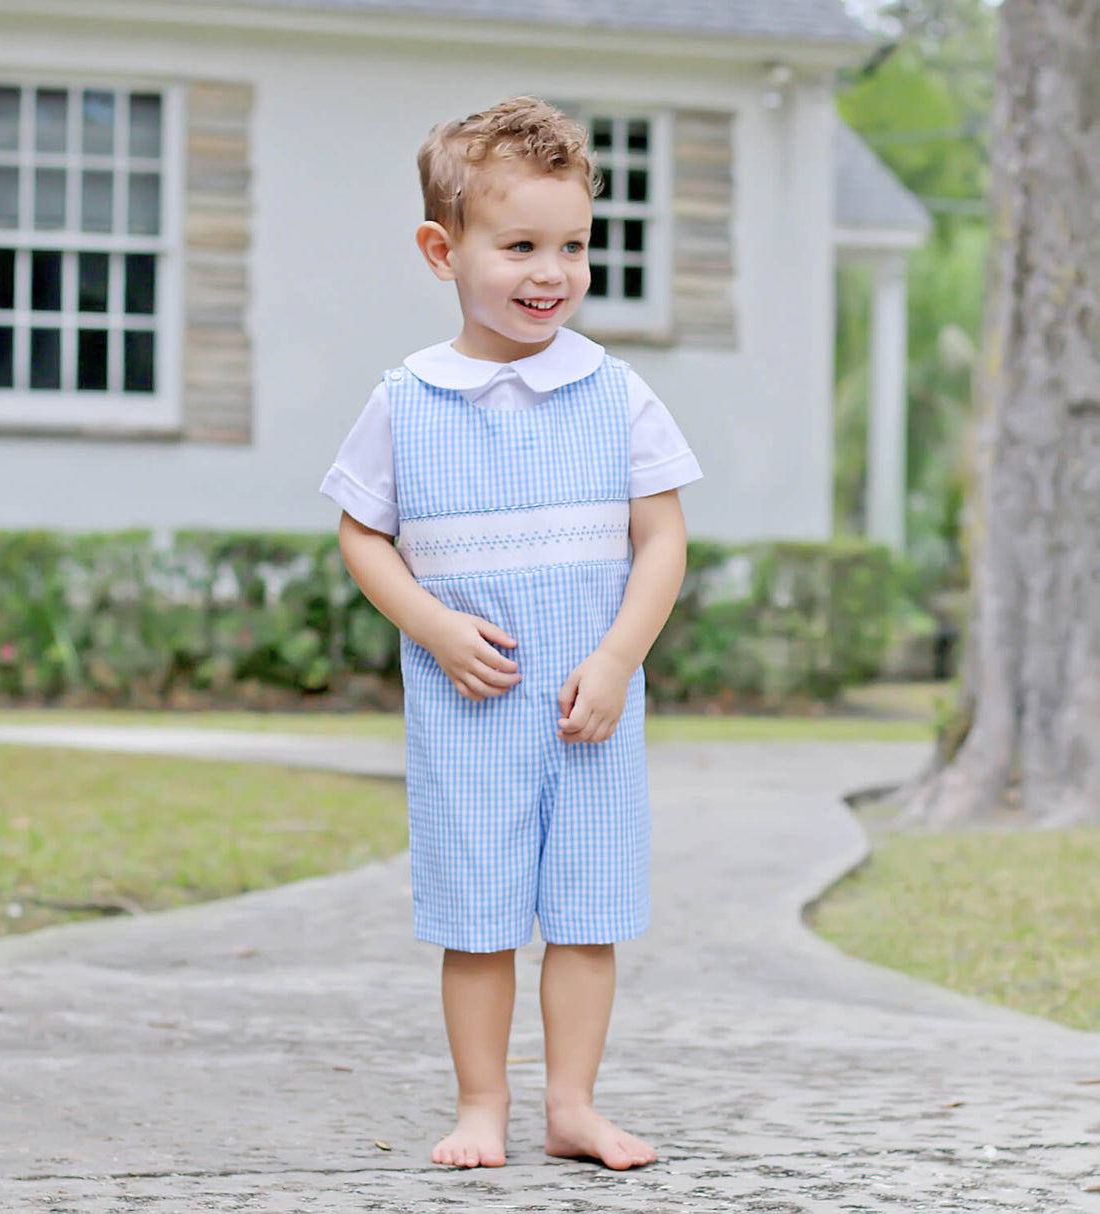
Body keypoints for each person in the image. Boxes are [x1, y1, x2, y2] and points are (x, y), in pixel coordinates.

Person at [319, 96, 701, 1170]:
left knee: (586, 911)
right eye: (520, 246)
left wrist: (618, 657)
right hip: (469, 706)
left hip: (589, 706)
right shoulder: (407, 400)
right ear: (442, 251)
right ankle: (480, 1104)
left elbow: (662, 539)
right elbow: (361, 535)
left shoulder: (614, 392)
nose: (552, 272)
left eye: (572, 246)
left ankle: (571, 1105)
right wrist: (433, 625)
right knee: (476, 916)